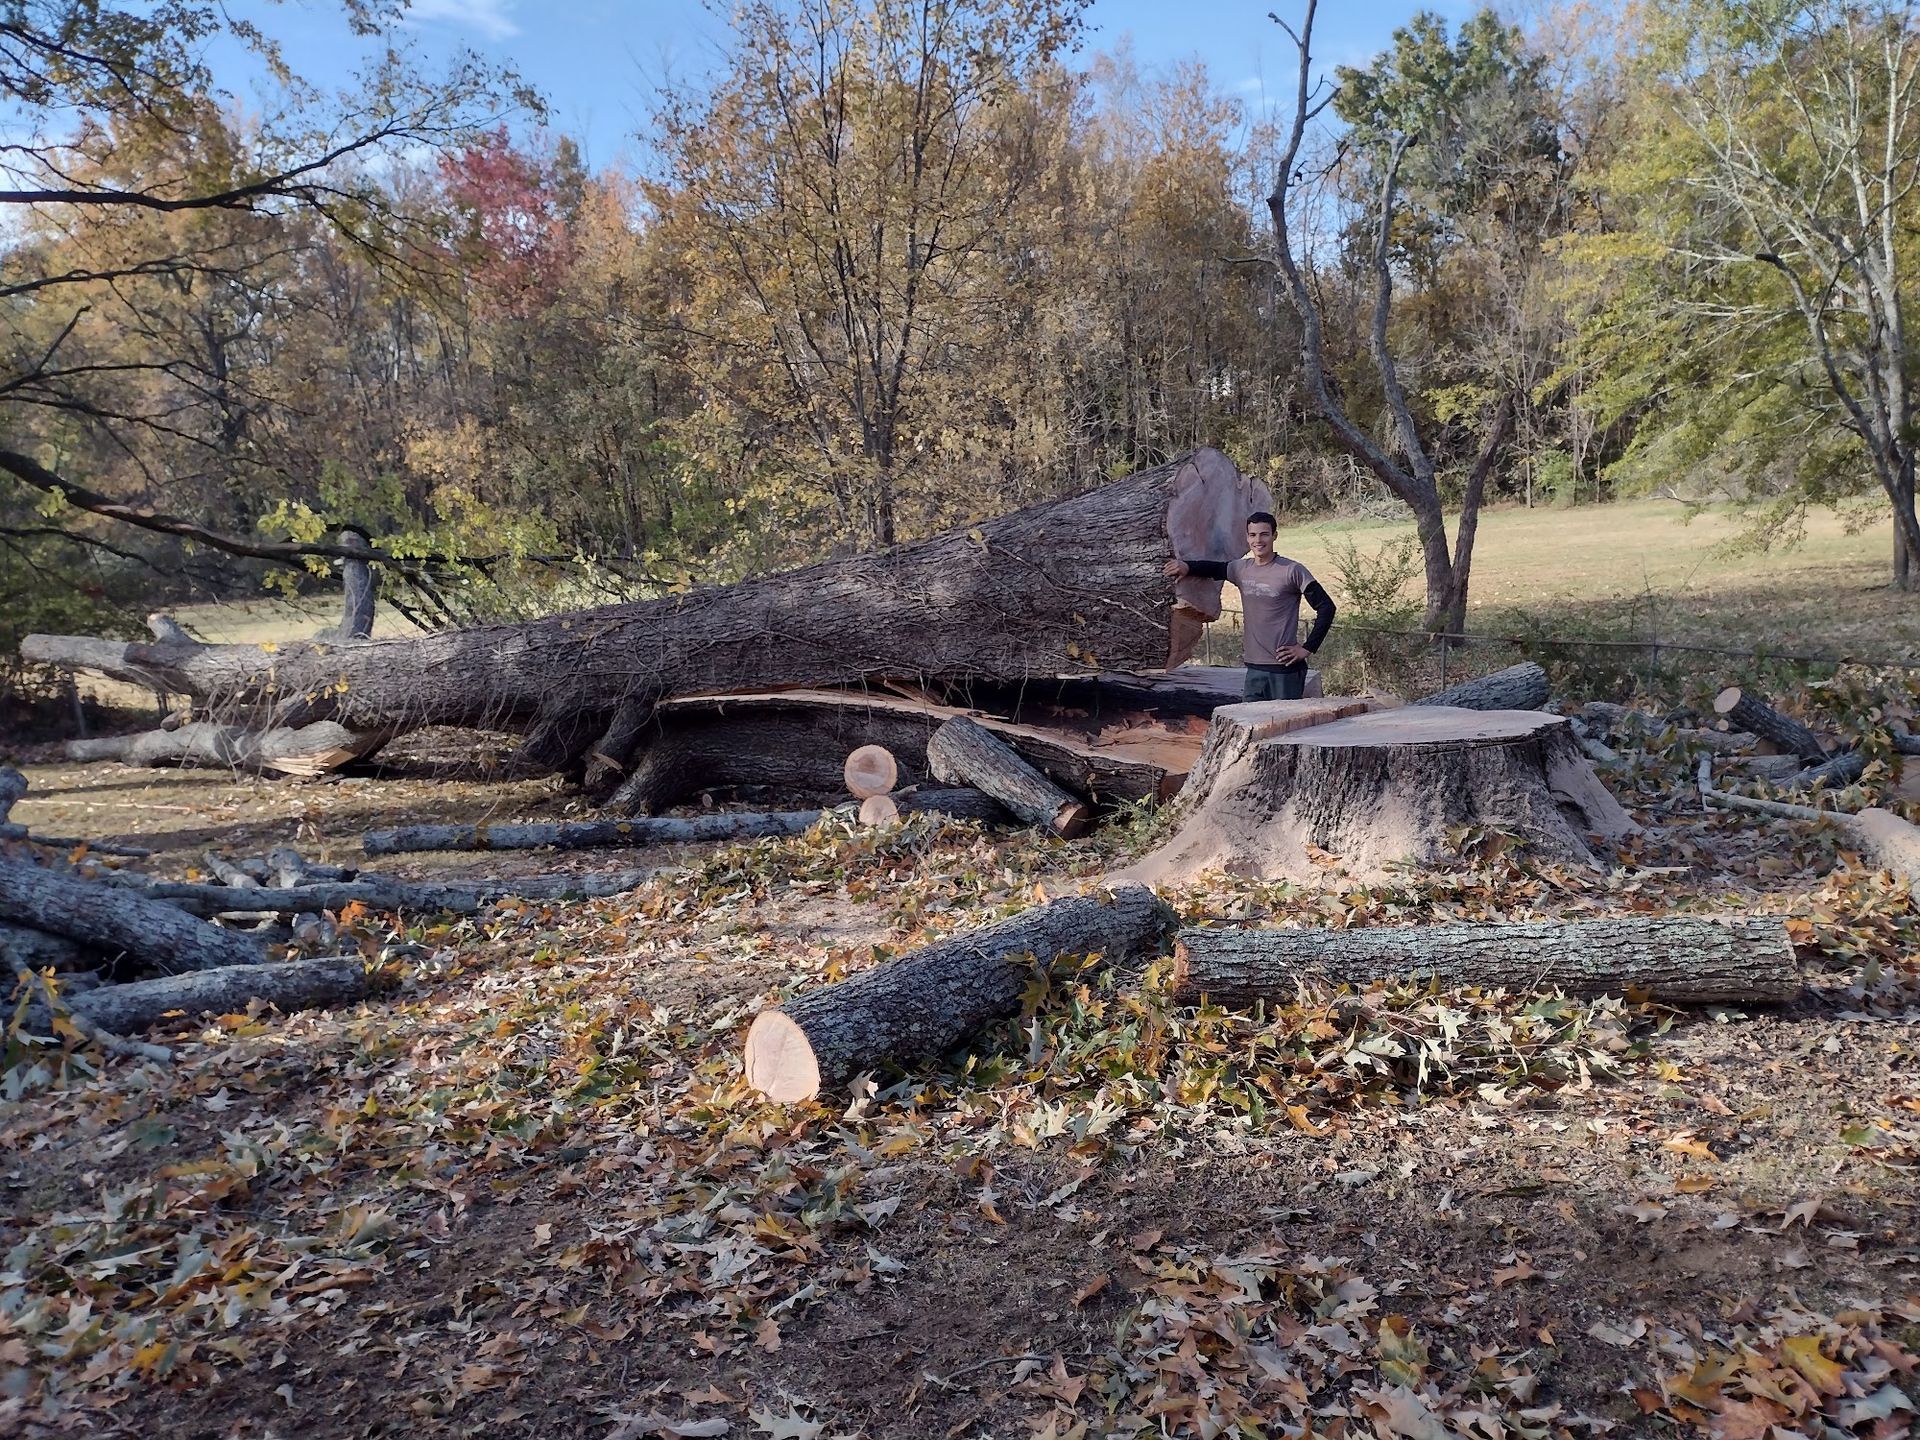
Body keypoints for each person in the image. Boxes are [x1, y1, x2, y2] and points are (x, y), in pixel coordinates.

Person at [1164, 512, 1336, 701]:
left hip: (1285, 671)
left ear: (1274, 536)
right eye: (1253, 535)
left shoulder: (1292, 571)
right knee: (1250, 727)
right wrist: (1187, 567)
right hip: (1254, 670)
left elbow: (1326, 607)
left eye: (1264, 534)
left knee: (1282, 728)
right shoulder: (1241, 569)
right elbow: (1215, 568)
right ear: (1247, 537)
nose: (1258, 540)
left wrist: (1307, 648)